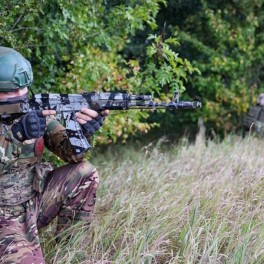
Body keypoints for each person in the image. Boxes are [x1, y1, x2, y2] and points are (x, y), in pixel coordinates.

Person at [0, 46, 109, 263]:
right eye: (11, 90)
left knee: (85, 174)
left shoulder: (32, 113)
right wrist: (17, 134)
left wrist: (84, 131)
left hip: (33, 202)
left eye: (23, 88)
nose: (20, 94)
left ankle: (68, 253)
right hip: (3, 214)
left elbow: (73, 155)